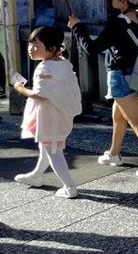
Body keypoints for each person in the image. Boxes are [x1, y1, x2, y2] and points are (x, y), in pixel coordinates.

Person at [68, 0, 138, 178]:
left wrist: (77, 26)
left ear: (124, 1)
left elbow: (92, 48)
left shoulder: (117, 24)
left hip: (120, 76)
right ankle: (113, 154)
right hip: (136, 75)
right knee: (119, 116)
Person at [13, 26, 82, 198]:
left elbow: (39, 95)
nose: (31, 49)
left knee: (53, 151)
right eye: (30, 44)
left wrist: (19, 88)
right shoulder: (64, 63)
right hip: (61, 115)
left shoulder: (44, 68)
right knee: (48, 146)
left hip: (49, 117)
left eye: (36, 46)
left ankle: (69, 187)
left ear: (51, 48)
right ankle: (36, 175)